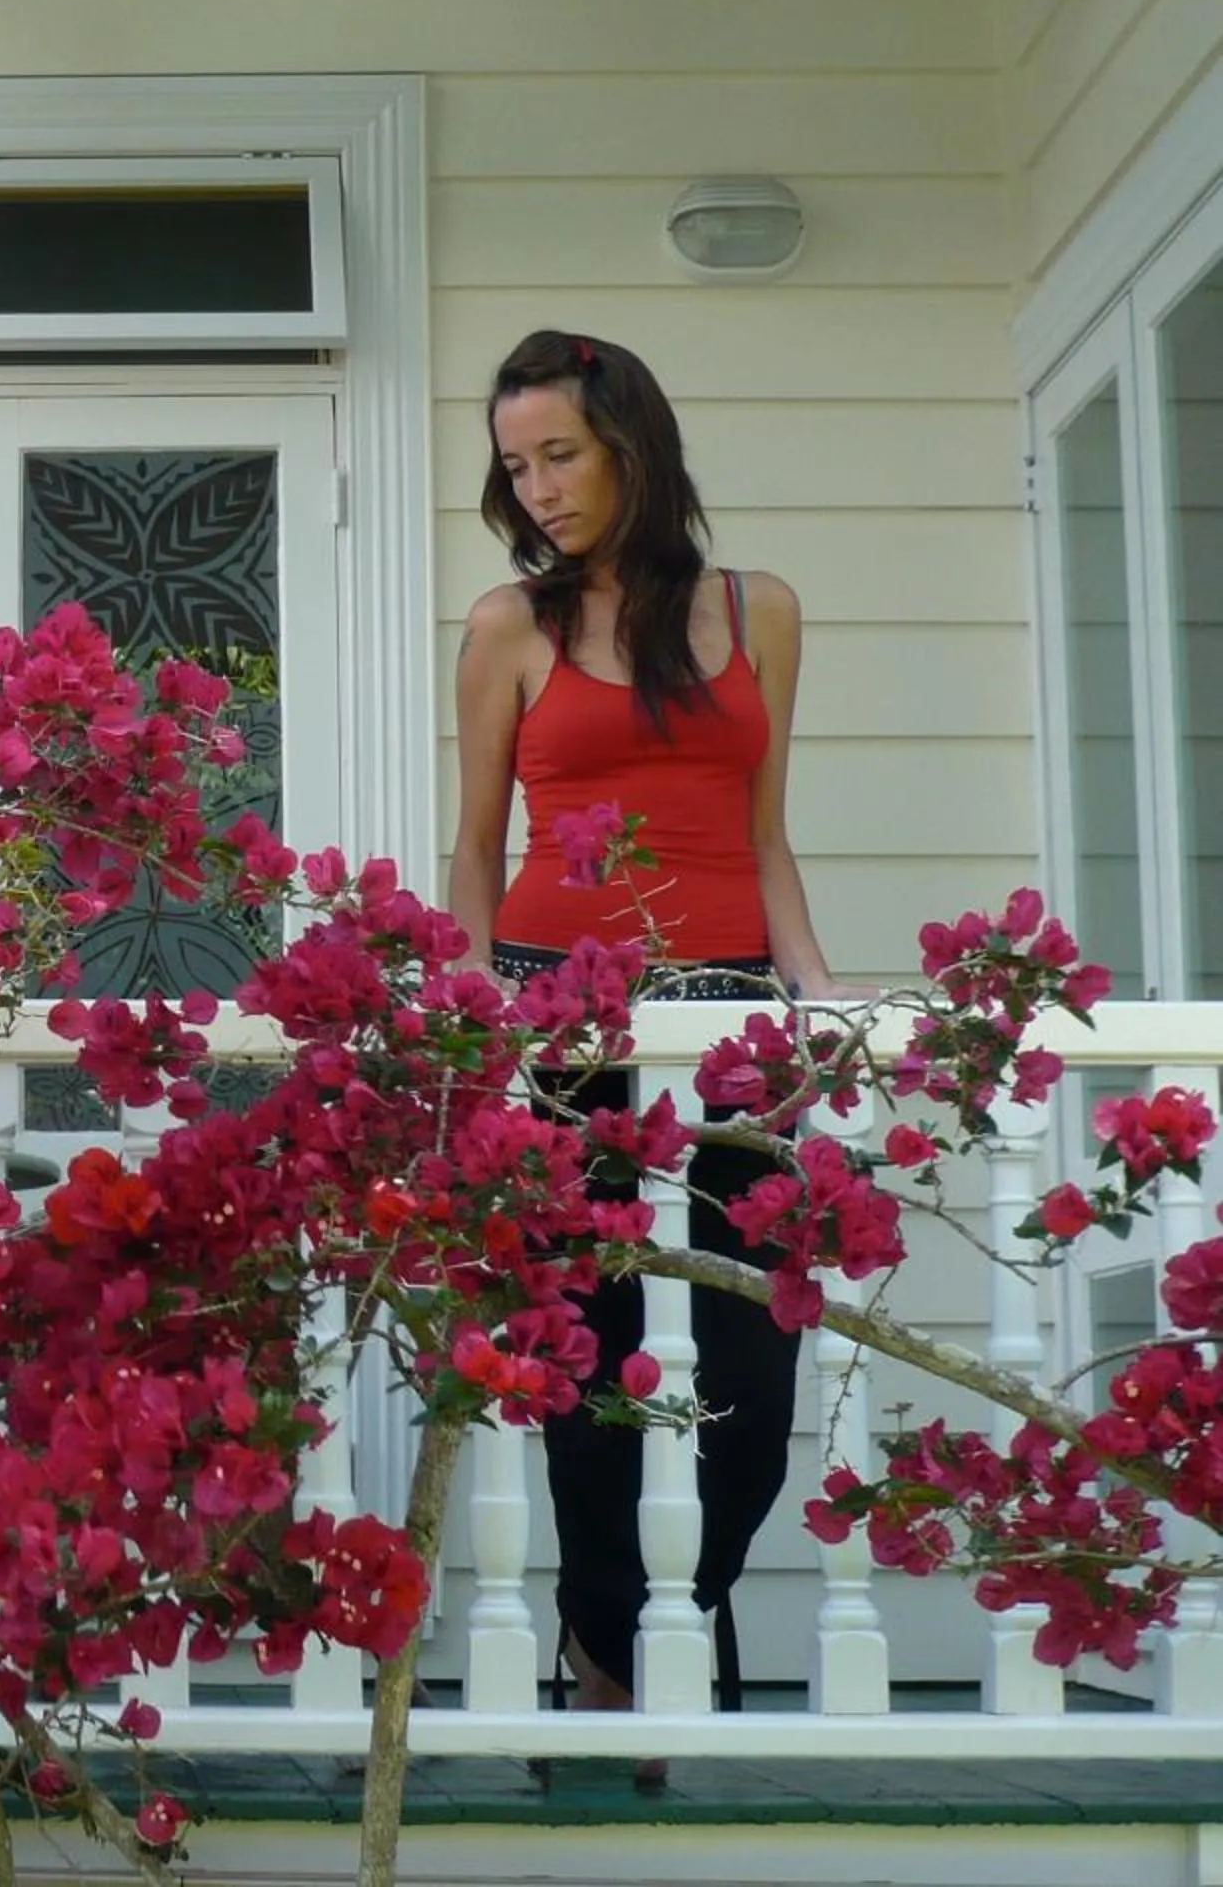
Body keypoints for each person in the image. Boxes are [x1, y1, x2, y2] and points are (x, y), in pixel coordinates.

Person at [447, 327, 846, 1766]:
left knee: (743, 1384)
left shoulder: (764, 611)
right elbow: (477, 848)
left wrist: (813, 992)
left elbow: (762, 834)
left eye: (560, 454)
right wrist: (478, 1015)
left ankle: (620, 1638)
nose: (537, 487)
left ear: (632, 443)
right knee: (595, 1377)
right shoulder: (512, 626)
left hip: (730, 1020)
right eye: (515, 464)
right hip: (563, 1020)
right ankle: (628, 1674)